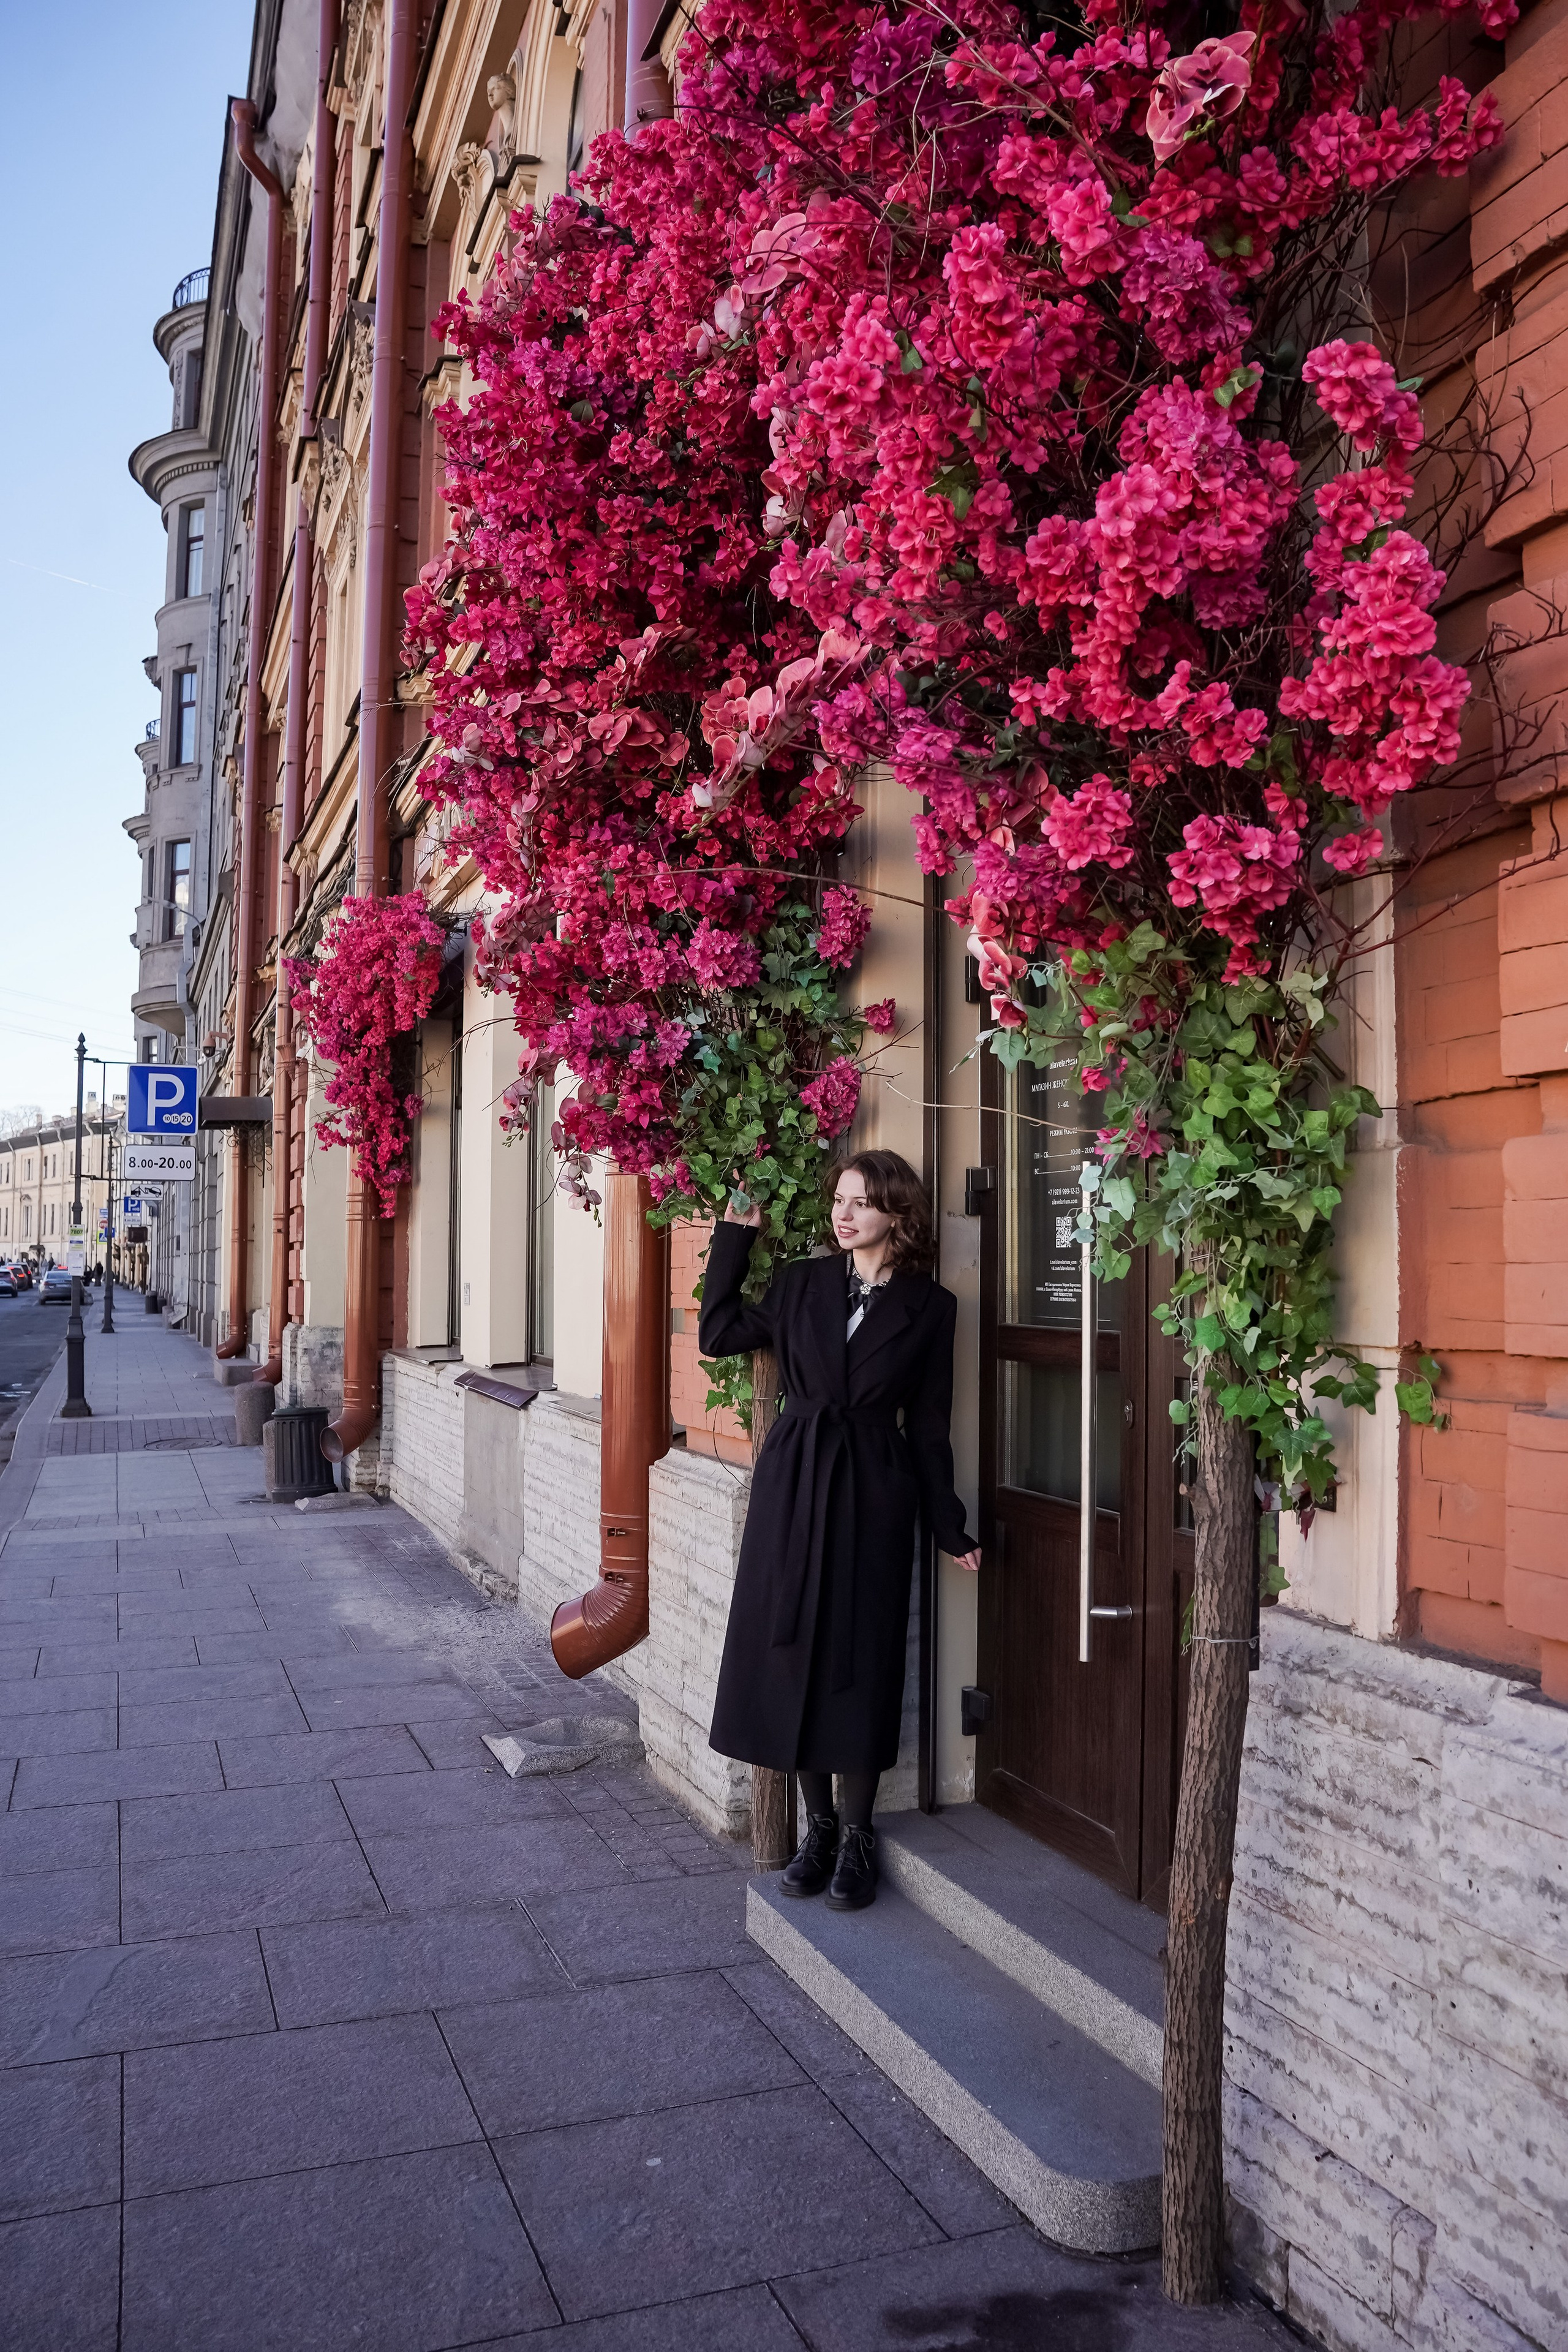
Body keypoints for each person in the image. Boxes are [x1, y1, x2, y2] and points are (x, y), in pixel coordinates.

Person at [699, 1148, 980, 1912]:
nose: (843, 1213)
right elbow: (717, 1331)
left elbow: (928, 1427)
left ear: (898, 1215)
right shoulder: (800, 1285)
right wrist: (735, 1236)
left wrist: (948, 1525)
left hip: (872, 1491)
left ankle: (857, 1836)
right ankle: (814, 1828)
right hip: (794, 1483)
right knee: (791, 1650)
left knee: (859, 1659)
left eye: (861, 1202)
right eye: (839, 1199)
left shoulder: (932, 1308)